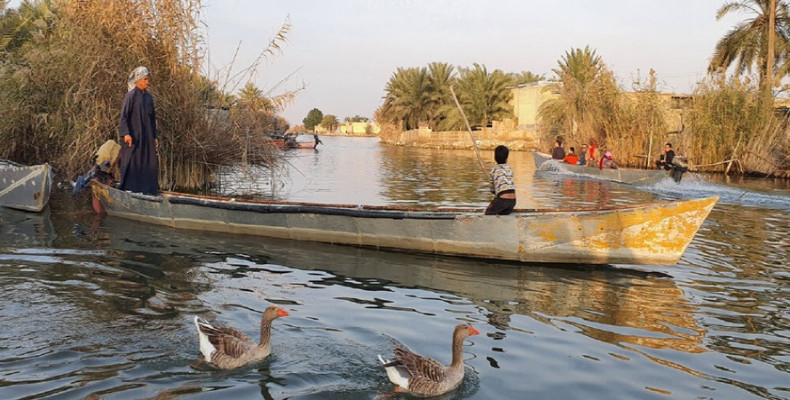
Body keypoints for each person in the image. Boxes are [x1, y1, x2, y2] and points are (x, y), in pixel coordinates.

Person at [119, 66, 159, 195]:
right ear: (138, 80)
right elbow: (124, 116)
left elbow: (152, 118)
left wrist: (154, 137)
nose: (147, 82)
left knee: (149, 162)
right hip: (133, 137)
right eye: (145, 79)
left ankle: (147, 190)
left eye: (147, 79)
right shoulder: (130, 96)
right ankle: (130, 189)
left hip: (147, 137)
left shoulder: (149, 98)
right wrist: (126, 133)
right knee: (132, 162)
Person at [485, 145, 516, 215]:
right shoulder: (509, 168)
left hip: (502, 200)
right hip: (513, 201)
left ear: (495, 158)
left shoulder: (494, 170)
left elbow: (492, 190)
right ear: (506, 158)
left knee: (488, 213)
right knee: (502, 215)